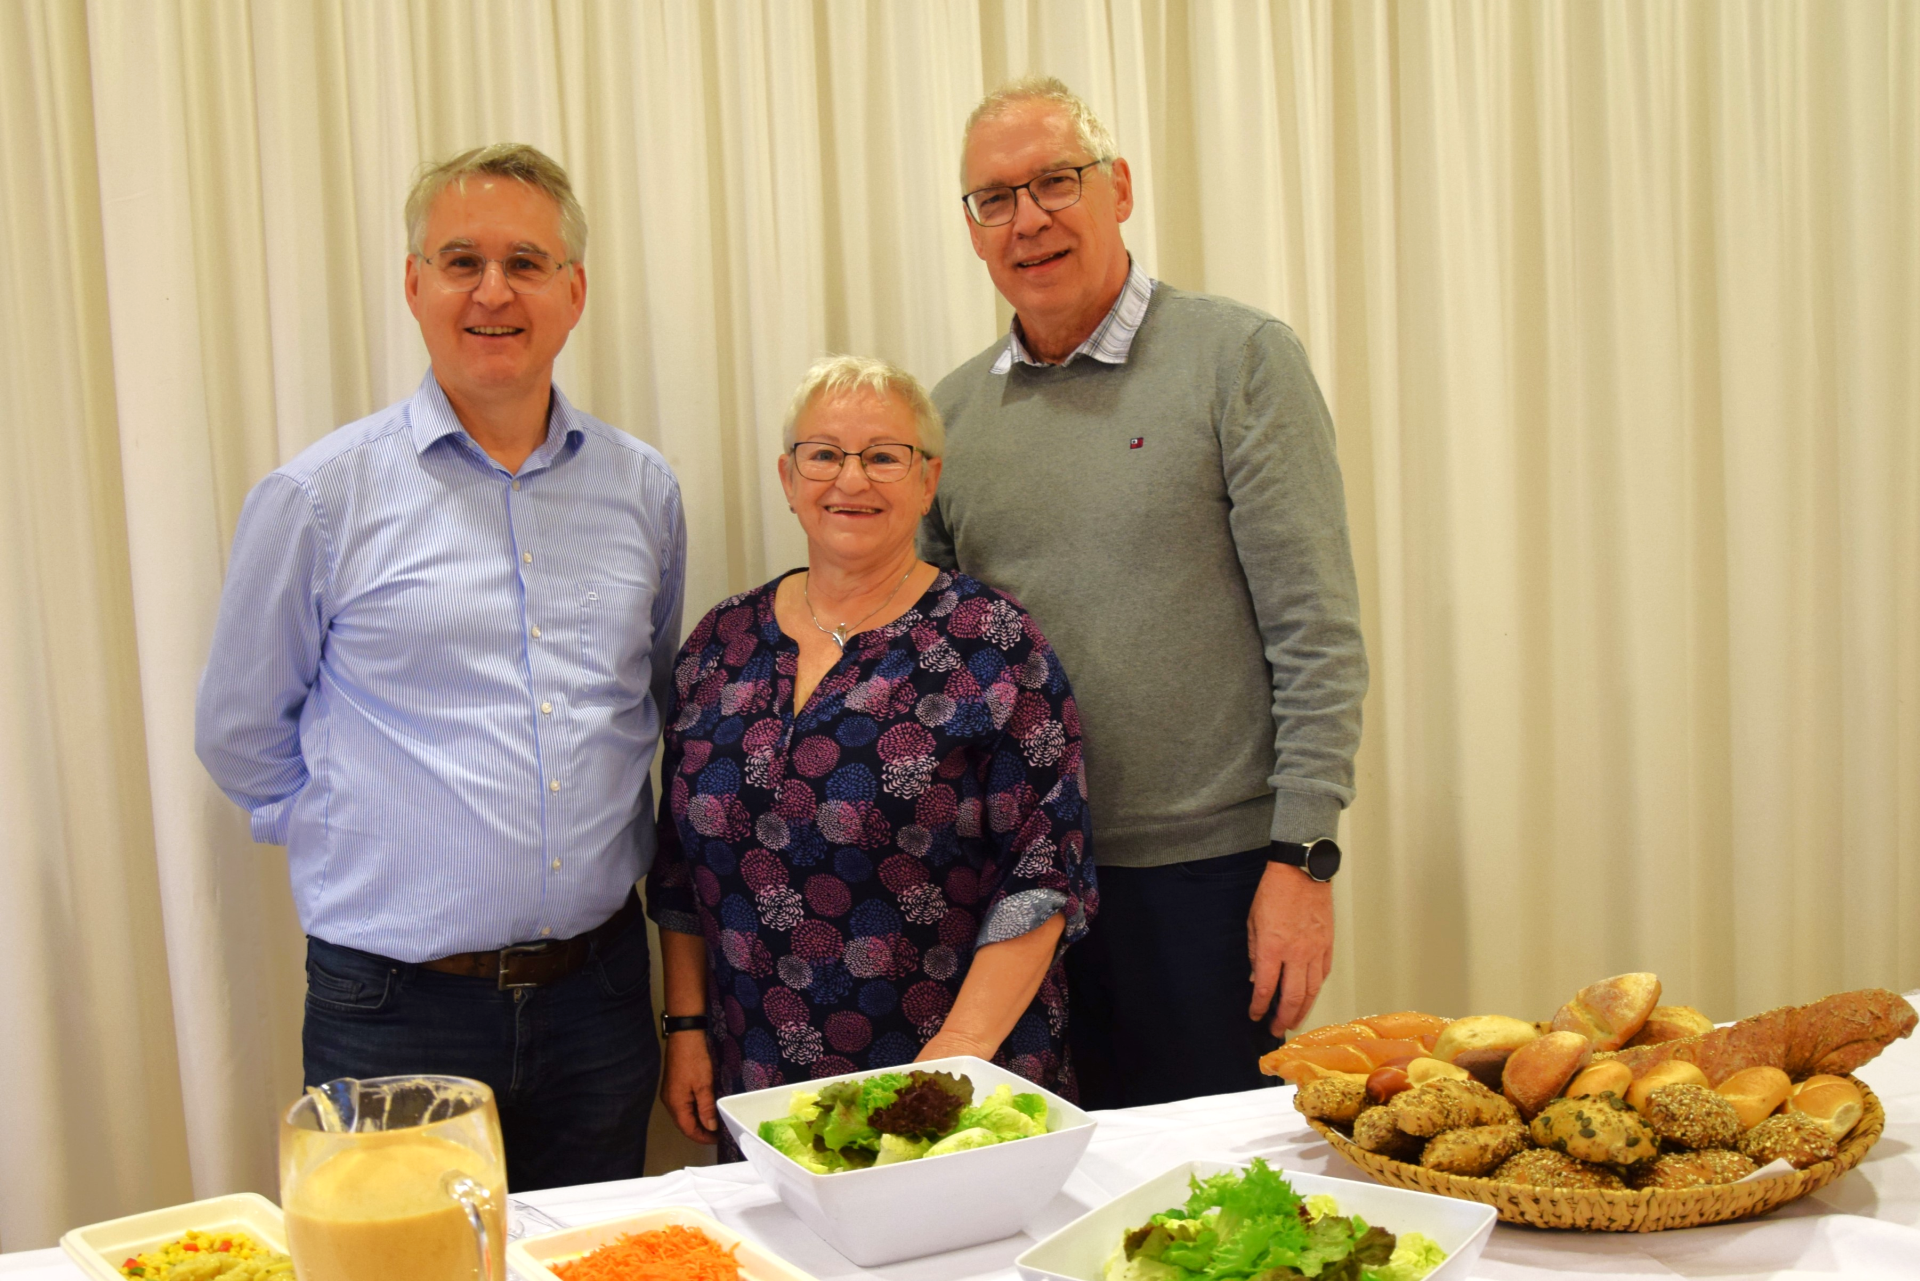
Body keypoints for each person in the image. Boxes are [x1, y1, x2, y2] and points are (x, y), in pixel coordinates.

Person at [195, 143, 684, 1188]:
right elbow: (240, 732)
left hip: (599, 995)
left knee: (592, 1259)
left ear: (575, 291)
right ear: (414, 285)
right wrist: (364, 843)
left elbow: (648, 702)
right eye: (461, 261)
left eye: (527, 261)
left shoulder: (643, 491)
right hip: (394, 1009)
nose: (493, 291)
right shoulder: (318, 499)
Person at [923, 78, 1368, 1109]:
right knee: (1045, 1205)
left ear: (1118, 189)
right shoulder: (949, 417)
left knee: (1209, 1210)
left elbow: (1317, 633)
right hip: (1020, 892)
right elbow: (935, 667)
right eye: (996, 198)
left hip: (1210, 883)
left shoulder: (1240, 361)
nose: (1027, 219)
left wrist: (1304, 858)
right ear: (975, 230)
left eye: (1054, 182)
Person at [648, 355, 1096, 1149]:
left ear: (928, 480)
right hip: (761, 1084)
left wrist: (953, 1066)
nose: (850, 478)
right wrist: (685, 1022)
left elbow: (1044, 874)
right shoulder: (721, 642)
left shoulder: (992, 641)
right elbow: (678, 866)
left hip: (958, 1080)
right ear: (788, 479)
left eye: (883, 455)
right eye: (823, 454)